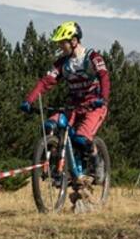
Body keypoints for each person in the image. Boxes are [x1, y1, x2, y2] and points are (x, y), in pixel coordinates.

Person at [19, 21, 110, 183]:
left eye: (63, 43)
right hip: (73, 106)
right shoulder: (63, 63)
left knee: (81, 139)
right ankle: (59, 165)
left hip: (94, 106)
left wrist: (103, 98)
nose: (60, 46)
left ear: (74, 41)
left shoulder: (92, 57)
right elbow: (46, 81)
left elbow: (104, 76)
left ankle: (97, 162)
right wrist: (29, 100)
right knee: (49, 126)